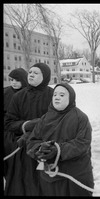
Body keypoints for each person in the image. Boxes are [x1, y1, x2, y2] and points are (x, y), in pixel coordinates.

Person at [26, 83, 94, 196]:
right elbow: (32, 141)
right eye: (55, 95)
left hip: (74, 176)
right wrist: (41, 149)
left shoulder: (80, 118)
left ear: (70, 98)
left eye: (62, 95)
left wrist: (58, 150)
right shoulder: (45, 118)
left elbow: (82, 143)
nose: (57, 97)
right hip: (49, 177)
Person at [4, 63, 54, 195]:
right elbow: (9, 122)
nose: (31, 74)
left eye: (36, 73)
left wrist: (40, 126)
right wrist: (26, 125)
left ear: (45, 76)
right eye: (30, 72)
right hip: (22, 150)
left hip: (45, 149)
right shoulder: (19, 96)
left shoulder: (53, 95)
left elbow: (58, 119)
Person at [3, 68, 28, 191]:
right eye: (12, 80)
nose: (14, 83)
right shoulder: (6, 92)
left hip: (23, 133)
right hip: (7, 133)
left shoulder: (29, 93)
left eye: (17, 80)